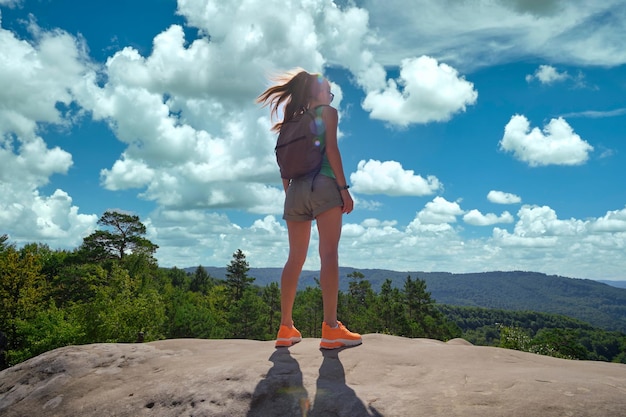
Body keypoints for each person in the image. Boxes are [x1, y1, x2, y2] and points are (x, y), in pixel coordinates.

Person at [257, 69, 362, 350]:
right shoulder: (327, 113)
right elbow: (331, 150)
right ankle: (331, 329)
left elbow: (283, 166)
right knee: (328, 254)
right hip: (323, 184)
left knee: (295, 259)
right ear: (318, 94)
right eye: (328, 91)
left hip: (294, 191)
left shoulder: (289, 123)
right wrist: (343, 189)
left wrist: (292, 193)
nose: (330, 95)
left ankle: (285, 328)